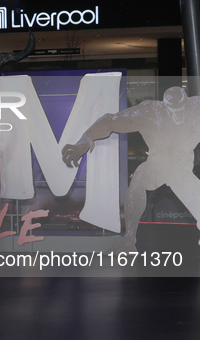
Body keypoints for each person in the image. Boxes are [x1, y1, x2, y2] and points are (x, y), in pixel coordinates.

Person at [62, 86, 200, 253]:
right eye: (173, 112)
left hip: (182, 168)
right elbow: (109, 121)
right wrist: (84, 141)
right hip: (159, 164)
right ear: (166, 107)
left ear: (187, 103)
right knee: (139, 179)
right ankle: (129, 239)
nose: (178, 117)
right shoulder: (150, 112)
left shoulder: (197, 108)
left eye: (181, 111)